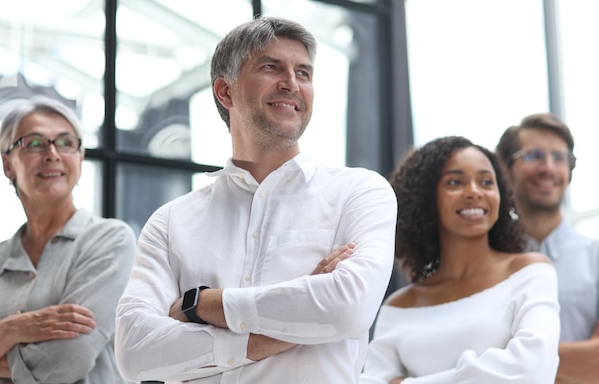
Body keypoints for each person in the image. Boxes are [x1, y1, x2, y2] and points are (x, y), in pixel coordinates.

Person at [114, 16, 397, 384]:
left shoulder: (359, 192)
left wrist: (203, 304)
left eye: (304, 73)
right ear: (225, 91)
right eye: (271, 67)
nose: (292, 84)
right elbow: (135, 352)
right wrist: (276, 329)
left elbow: (347, 308)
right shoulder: (170, 222)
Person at [360, 136, 560, 384]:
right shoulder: (399, 306)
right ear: (426, 198)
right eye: (455, 182)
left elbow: (531, 372)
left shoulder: (530, 272)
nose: (474, 192)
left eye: (486, 182)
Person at [0, 97, 136, 383]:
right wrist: (13, 328)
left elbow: (69, 359)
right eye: (34, 143)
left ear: (80, 158)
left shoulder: (110, 241)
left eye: (65, 142)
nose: (52, 154)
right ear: (8, 164)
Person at [496, 113, 599, 384]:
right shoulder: (485, 259)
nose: (548, 168)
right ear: (505, 169)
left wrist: (503, 362)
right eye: (534, 156)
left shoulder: (596, 257)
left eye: (559, 157)